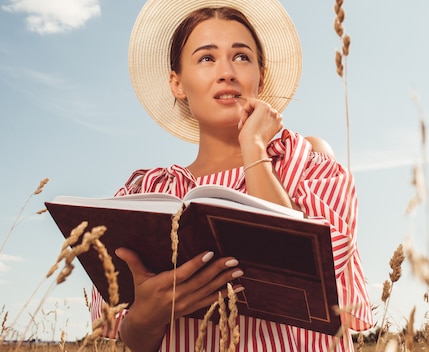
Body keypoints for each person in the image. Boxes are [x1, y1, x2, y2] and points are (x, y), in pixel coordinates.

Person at [90, 0, 373, 350]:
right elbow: (132, 340)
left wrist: (254, 146)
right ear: (177, 83)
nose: (227, 71)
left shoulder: (305, 162)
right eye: (206, 58)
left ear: (261, 76)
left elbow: (301, 270)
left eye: (241, 57)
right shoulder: (146, 191)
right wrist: (147, 315)